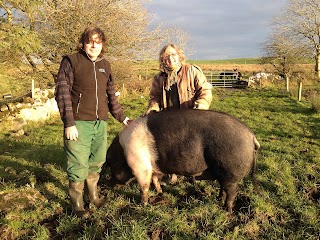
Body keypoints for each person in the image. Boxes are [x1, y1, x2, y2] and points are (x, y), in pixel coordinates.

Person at [55, 26, 131, 218]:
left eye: (98, 41)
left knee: (97, 161)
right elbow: (62, 93)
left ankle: (94, 196)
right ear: (83, 43)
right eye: (90, 41)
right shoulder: (71, 61)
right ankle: (78, 205)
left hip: (100, 123)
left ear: (103, 44)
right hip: (79, 123)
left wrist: (122, 117)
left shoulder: (106, 65)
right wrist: (69, 122)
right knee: (77, 163)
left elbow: (111, 95)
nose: (94, 45)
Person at [145, 43, 213, 184]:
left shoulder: (191, 71)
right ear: (162, 60)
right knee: (171, 147)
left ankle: (195, 174)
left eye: (173, 55)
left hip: (191, 117)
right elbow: (154, 98)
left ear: (179, 55)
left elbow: (205, 91)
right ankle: (172, 174)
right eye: (166, 57)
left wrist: (201, 105)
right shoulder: (159, 78)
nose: (170, 59)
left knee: (193, 146)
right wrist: (153, 108)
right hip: (170, 119)